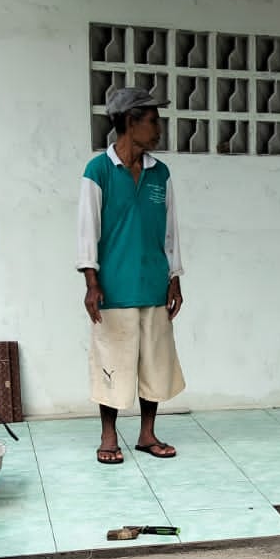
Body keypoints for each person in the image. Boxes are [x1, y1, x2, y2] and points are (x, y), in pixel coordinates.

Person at [77, 85, 186, 464]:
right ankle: (109, 437)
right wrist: (91, 283)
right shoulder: (99, 171)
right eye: (153, 121)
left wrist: (174, 277)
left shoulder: (161, 173)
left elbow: (170, 231)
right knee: (113, 362)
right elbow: (87, 230)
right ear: (129, 122)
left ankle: (146, 434)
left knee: (154, 362)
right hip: (114, 288)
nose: (158, 129)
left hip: (154, 284)